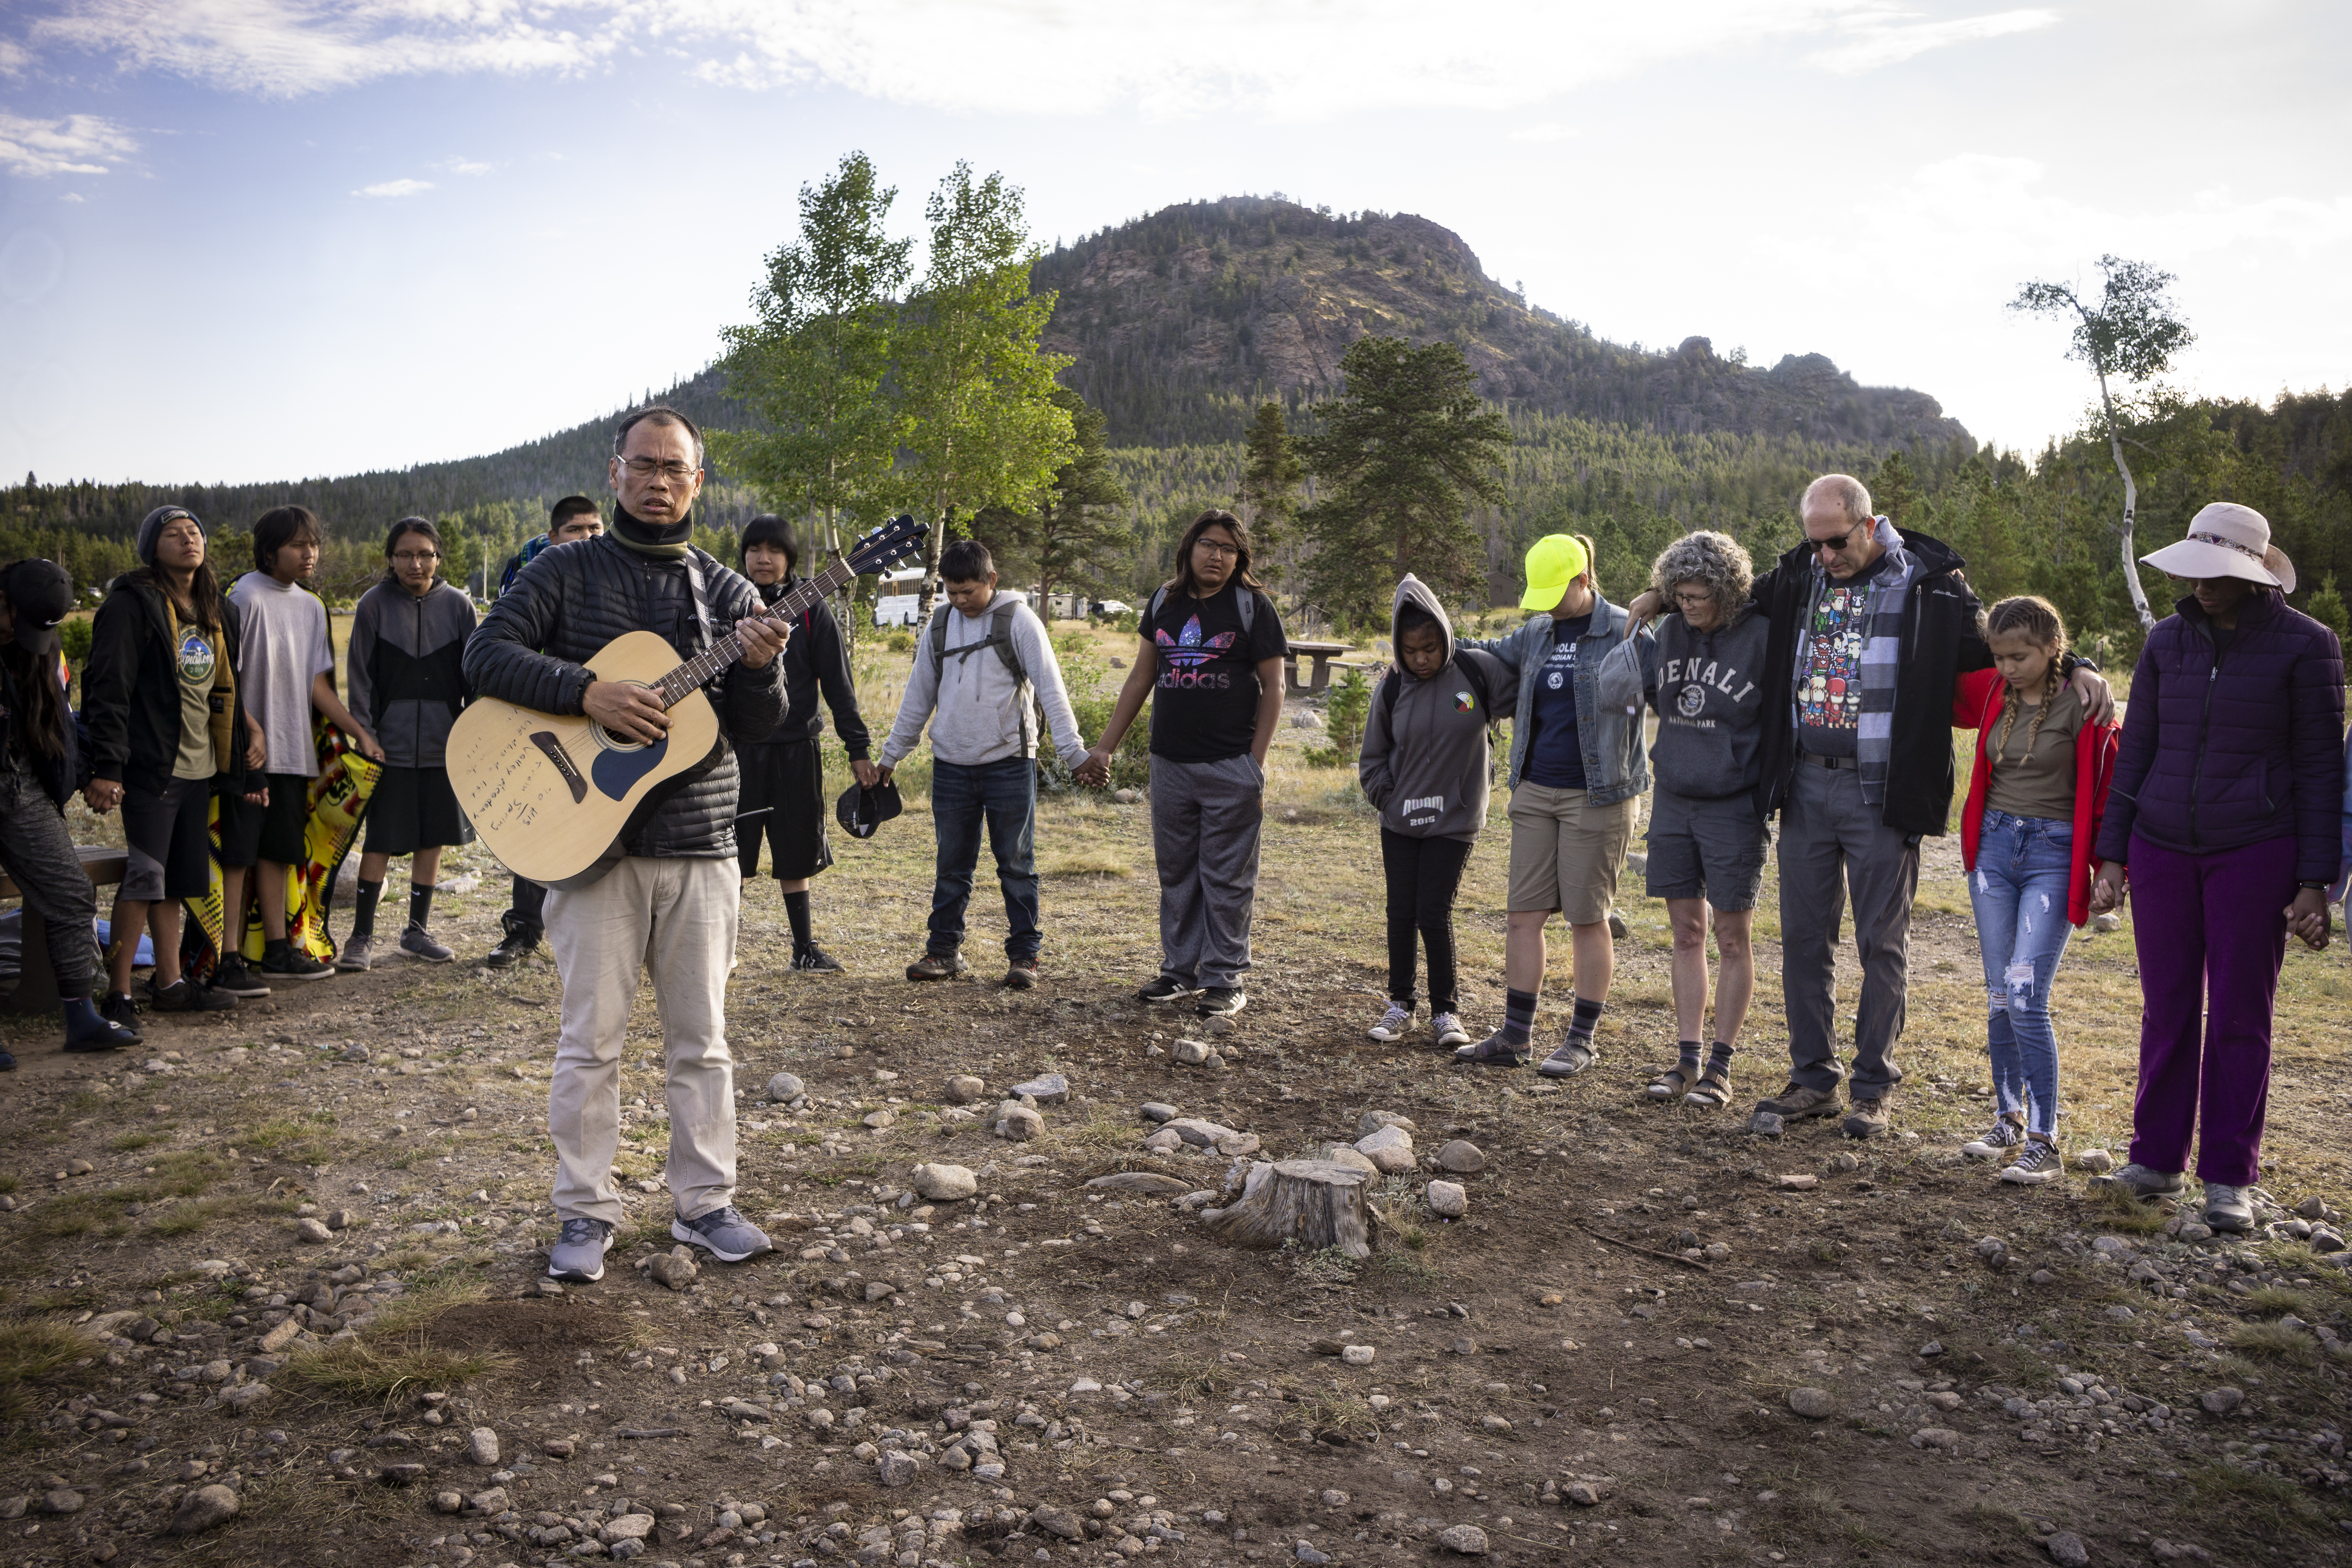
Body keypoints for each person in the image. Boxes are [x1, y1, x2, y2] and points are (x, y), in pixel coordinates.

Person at [1632, 475, 2110, 1138]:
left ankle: (1873, 1087)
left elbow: (1998, 641)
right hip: (1805, 785)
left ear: (1868, 523)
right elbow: (1725, 593)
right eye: (1815, 543)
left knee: (1880, 943)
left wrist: (2077, 662)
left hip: (1883, 792)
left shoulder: (1931, 585)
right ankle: (1813, 1080)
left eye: (1835, 542)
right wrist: (1660, 592)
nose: (1825, 555)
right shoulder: (1800, 575)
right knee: (1803, 939)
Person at [463, 404, 789, 1284]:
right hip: (586, 849)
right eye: (641, 464)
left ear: (697, 482)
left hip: (701, 847)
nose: (656, 481)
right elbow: (484, 655)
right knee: (590, 1041)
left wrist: (758, 666)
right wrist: (585, 693)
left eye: (673, 468)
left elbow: (758, 726)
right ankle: (583, 1211)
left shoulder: (729, 593)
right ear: (615, 474)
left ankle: (705, 1203)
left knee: (703, 1040)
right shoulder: (564, 571)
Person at [2087, 503, 2343, 1231]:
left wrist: (2316, 881)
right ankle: (2155, 1159)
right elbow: (2135, 752)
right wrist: (2114, 853)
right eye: (2193, 570)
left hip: (2257, 851)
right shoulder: (2166, 641)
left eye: (2218, 574)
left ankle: (2229, 1175)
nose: (2201, 585)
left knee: (2240, 1016)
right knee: (2167, 1010)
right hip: (2161, 848)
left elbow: (2322, 770)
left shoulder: (2308, 646)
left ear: (2256, 575)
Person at [1448, 534, 1649, 1072]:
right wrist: (1424, 643)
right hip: (1536, 790)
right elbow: (1487, 653)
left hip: (1600, 793)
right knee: (1522, 917)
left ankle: (1581, 1039)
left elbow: (1673, 661)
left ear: (1584, 580)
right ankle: (1516, 1037)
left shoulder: (1627, 629)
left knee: (1588, 919)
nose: (1547, 606)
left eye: (1556, 594)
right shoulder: (1537, 631)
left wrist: (1659, 597)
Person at [1081, 510, 1287, 1019]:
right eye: (1208, 545)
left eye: (1228, 549)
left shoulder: (1252, 608)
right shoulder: (1163, 602)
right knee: (1177, 872)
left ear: (1240, 559)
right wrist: (1105, 747)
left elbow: (1275, 688)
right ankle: (1181, 971)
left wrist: (1254, 765)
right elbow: (1140, 678)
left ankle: (1225, 978)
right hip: (1169, 764)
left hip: (1230, 765)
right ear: (1189, 548)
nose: (1216, 556)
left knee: (1228, 876)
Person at [1949, 597, 2120, 1185]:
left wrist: (2108, 866)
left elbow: (2108, 794)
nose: (2007, 667)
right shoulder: (1993, 693)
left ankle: (2046, 1139)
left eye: (2020, 656)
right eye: (1998, 656)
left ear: (2053, 648)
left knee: (2026, 993)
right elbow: (1932, 681)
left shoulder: (2084, 702)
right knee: (1999, 993)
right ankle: (2008, 1117)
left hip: (2054, 852)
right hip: (1995, 849)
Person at [1600, 531, 1769, 1108]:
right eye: (1682, 596)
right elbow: (1636, 697)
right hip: (1673, 797)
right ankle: (1687, 1058)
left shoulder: (1762, 635)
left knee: (1731, 936)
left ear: (1725, 590)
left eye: (1700, 597)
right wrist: (1656, 602)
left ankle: (1722, 1067)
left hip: (1733, 805)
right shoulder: (1669, 630)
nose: (1691, 606)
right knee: (1686, 933)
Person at [875, 539, 1088, 989]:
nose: (960, 601)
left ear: (991, 580)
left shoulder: (1021, 622)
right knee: (951, 863)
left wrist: (1075, 755)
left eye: (968, 591)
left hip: (1010, 762)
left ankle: (1024, 958)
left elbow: (1052, 688)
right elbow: (918, 696)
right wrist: (890, 757)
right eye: (952, 592)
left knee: (1016, 863)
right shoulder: (940, 625)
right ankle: (943, 952)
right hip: (951, 766)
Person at [81, 506, 248, 1024]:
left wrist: (243, 752)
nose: (187, 540)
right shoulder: (132, 605)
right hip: (152, 765)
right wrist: (107, 766)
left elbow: (228, 691)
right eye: (173, 534)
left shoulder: (216, 609)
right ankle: (120, 993)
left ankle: (171, 983)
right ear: (152, 549)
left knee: (174, 882)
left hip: (200, 766)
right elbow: (107, 686)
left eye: (194, 531)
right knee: (144, 877)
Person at [220, 505, 383, 992]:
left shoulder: (312, 606)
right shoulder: (243, 596)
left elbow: (318, 686)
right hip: (244, 752)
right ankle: (226, 958)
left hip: (292, 751)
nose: (309, 552)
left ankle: (276, 950)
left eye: (313, 544)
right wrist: (250, 731)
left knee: (278, 852)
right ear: (270, 550)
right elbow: (224, 678)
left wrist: (359, 731)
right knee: (236, 855)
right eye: (297, 545)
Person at [1356, 575, 1512, 1050]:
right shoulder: (1392, 685)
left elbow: (1528, 703)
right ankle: (1401, 1004)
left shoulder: (1478, 671)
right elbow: (1372, 755)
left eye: (1429, 647)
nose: (1420, 658)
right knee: (1401, 911)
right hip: (1401, 820)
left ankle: (1446, 1011)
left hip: (1456, 820)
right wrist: (1389, 797)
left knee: (1434, 909)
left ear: (1444, 636)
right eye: (1410, 650)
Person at [0, 561, 142, 1063]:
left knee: (70, 892)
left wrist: (88, 773)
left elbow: (59, 721)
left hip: (21, 785)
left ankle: (81, 1018)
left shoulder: (44, 645)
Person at [737, 513, 879, 972]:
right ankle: (714, 952)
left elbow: (839, 685)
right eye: (755, 549)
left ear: (790, 558)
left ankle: (804, 949)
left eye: (774, 550)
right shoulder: (727, 602)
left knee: (796, 850)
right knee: (728, 857)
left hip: (797, 748)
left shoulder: (811, 609)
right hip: (735, 751)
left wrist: (857, 749)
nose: (763, 558)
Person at [339, 517, 477, 970]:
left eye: (424, 554)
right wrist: (366, 735)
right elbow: (359, 679)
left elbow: (472, 678)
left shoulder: (459, 606)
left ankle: (416, 932)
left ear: (438, 557)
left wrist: (471, 734)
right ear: (391, 558)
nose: (415, 563)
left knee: (432, 839)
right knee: (380, 840)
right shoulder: (373, 605)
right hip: (389, 747)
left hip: (444, 744)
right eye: (405, 555)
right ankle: (360, 936)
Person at [481, 496, 604, 969]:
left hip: (604, 726)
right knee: (533, 821)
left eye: (595, 527)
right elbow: (503, 654)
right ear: (553, 537)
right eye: (576, 530)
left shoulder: (619, 575)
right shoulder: (537, 578)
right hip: (541, 721)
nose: (588, 537)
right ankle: (525, 929)